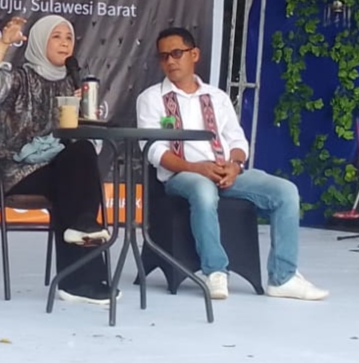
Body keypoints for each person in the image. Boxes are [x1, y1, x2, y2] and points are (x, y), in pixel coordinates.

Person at [136, 27, 328, 301]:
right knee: (203, 190)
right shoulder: (151, 98)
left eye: (176, 53)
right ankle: (215, 271)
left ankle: (283, 277)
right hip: (183, 175)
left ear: (194, 54)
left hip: (225, 171)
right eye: (163, 56)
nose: (170, 61)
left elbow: (237, 140)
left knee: (286, 192)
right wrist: (197, 168)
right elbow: (153, 149)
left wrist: (235, 166)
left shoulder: (217, 97)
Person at [0, 14, 114, 304]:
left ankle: (81, 243)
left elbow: (93, 145)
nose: (64, 43)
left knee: (82, 154)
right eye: (56, 37)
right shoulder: (20, 79)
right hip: (16, 172)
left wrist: (87, 115)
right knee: (74, 185)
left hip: (59, 172)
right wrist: (3, 44)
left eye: (69, 37)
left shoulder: (72, 85)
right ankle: (80, 279)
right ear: (39, 41)